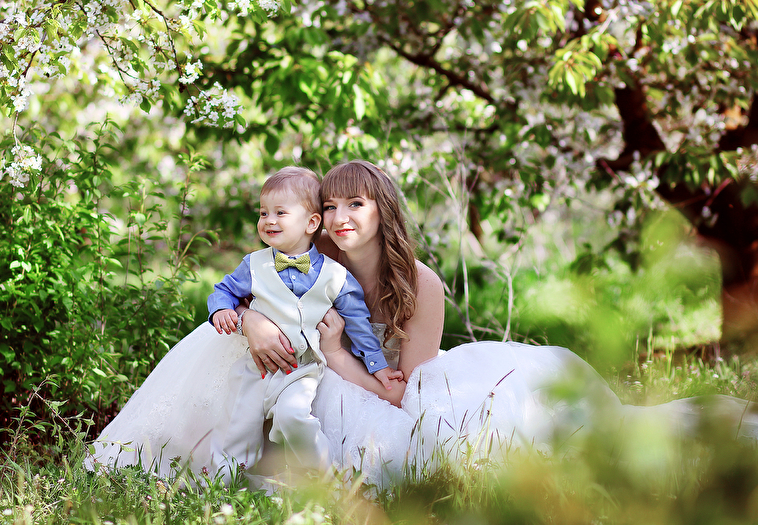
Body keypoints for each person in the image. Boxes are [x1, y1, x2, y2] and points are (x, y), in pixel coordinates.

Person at [86, 160, 758, 490]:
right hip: (323, 378)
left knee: (453, 443)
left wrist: (336, 357)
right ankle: (156, 446)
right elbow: (267, 290)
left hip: (401, 394)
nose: (341, 217)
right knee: (224, 339)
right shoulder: (315, 263)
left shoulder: (421, 283)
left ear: (382, 210)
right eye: (331, 206)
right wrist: (255, 323)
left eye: (356, 204)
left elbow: (406, 390)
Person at [205, 166, 401, 482]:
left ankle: (324, 480)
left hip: (303, 368)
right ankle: (221, 483)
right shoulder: (253, 264)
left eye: (280, 213)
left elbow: (359, 326)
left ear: (311, 223)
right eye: (263, 213)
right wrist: (221, 310)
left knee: (294, 416)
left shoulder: (336, 276)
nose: (269, 220)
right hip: (256, 367)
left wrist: (378, 366)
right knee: (237, 425)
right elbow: (223, 290)